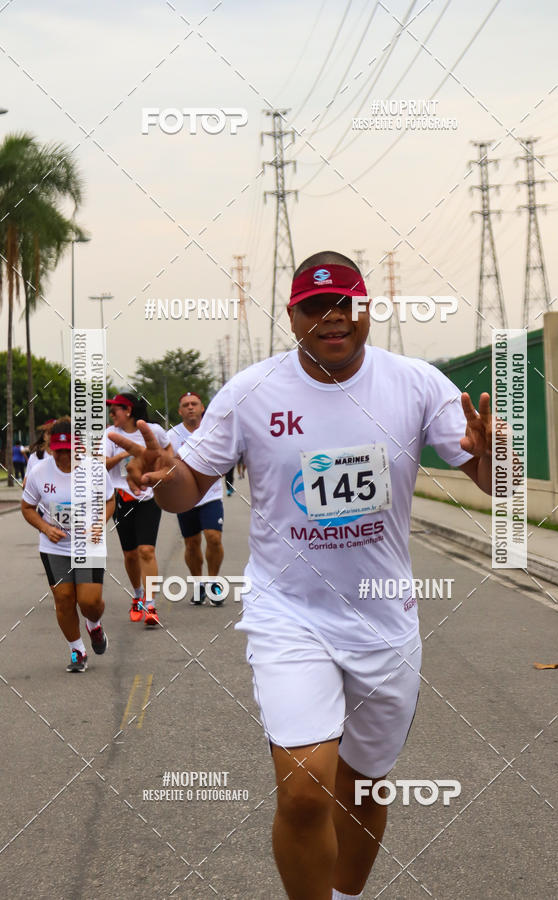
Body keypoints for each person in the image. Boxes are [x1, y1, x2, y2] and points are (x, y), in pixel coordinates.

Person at [109, 251, 494, 900]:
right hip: (289, 614)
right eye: (315, 306)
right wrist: (159, 478)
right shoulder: (252, 392)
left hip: (383, 620)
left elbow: (490, 479)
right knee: (306, 789)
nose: (332, 317)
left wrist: (498, 458)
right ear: (291, 317)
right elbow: (186, 488)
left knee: (363, 788)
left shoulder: (417, 385)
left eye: (345, 303)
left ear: (366, 310)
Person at [21, 420, 114, 673]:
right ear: (50, 447)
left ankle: (94, 625)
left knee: (89, 602)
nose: (63, 455)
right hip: (55, 547)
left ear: (78, 446)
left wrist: (99, 524)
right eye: (58, 450)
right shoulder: (39, 472)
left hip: (88, 544)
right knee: (63, 599)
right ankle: (77, 650)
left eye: (68, 449)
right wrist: (45, 527)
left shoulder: (94, 469)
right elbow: (27, 507)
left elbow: (110, 500)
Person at [103, 392, 170, 627]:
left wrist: (161, 471)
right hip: (122, 498)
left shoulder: (153, 431)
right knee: (130, 554)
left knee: (147, 550)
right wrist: (125, 453)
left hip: (149, 498)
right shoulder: (110, 435)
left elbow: (169, 453)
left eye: (115, 410)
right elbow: (101, 464)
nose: (111, 414)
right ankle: (138, 594)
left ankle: (150, 604)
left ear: (128, 411)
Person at [166, 392, 225, 606]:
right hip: (185, 497)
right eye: (186, 405)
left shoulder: (213, 431)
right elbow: (168, 463)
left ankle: (213, 582)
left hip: (211, 494)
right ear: (180, 411)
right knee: (191, 544)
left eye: (194, 404)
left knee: (213, 538)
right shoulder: (172, 435)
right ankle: (198, 583)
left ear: (202, 408)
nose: (190, 407)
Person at [22, 418, 56, 488]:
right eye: (50, 433)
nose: (54, 436)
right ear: (44, 436)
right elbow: (25, 484)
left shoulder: (70, 458)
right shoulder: (35, 457)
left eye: (57, 433)